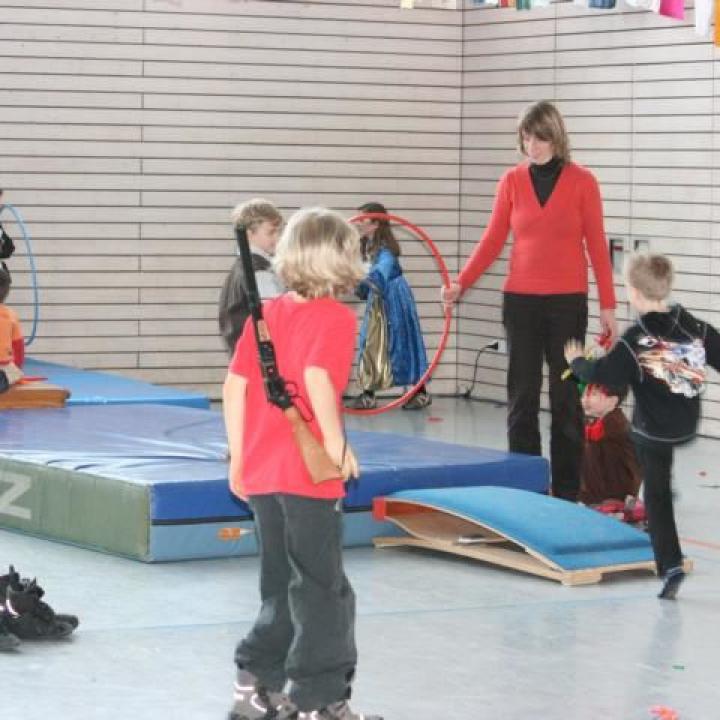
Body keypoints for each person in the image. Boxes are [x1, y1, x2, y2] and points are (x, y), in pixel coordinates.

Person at [223, 207, 383, 720]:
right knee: (322, 590)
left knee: (280, 584)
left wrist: (238, 459)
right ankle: (319, 699)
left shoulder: (268, 313)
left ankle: (256, 685)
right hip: (306, 474)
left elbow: (235, 386)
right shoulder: (335, 317)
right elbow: (317, 378)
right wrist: (335, 445)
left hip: (264, 471)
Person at [441, 100, 617, 500]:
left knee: (565, 398)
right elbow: (493, 239)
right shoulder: (511, 181)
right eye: (526, 138)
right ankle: (526, 489)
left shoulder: (583, 182)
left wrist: (608, 305)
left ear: (556, 137)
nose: (532, 146)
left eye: (540, 138)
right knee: (522, 396)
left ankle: (567, 492)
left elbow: (596, 245)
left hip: (567, 304)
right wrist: (461, 283)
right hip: (520, 302)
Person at [565, 253, 720, 599]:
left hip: (653, 430)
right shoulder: (695, 327)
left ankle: (671, 565)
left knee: (657, 494)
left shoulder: (635, 338)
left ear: (633, 293)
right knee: (658, 475)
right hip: (686, 423)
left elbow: (603, 374)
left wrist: (576, 362)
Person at [352, 201, 430, 410]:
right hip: (378, 298)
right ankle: (369, 392)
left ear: (376, 223)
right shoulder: (366, 246)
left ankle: (419, 392)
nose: (358, 223)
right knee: (371, 342)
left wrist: (360, 279)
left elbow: (379, 274)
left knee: (401, 342)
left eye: (362, 219)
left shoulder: (385, 250)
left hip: (394, 299)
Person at [218, 198, 284, 355]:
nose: (277, 238)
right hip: (259, 357)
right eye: (271, 232)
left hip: (244, 357)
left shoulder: (240, 269)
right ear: (249, 234)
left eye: (278, 232)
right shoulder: (259, 271)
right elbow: (277, 316)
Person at [579, 382, 642, 506]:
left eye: (593, 395)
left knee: (587, 447)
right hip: (606, 487)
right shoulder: (600, 421)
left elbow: (588, 435)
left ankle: (601, 499)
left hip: (615, 490)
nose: (585, 400)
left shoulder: (614, 422)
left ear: (613, 401)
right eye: (584, 395)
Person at [0, 267, 24, 379]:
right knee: (14, 373)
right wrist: (16, 369)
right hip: (4, 367)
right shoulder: (11, 315)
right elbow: (18, 348)